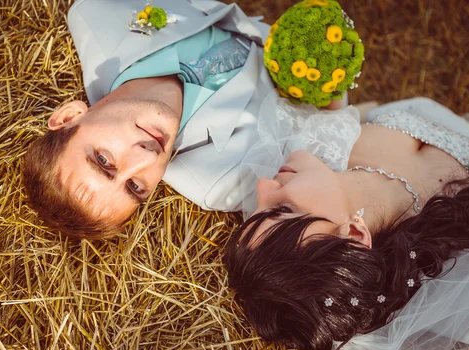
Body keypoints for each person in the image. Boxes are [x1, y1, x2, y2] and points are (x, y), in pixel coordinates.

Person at [224, 93, 469, 350]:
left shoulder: (320, 145)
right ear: (353, 235)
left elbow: (337, 110)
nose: (263, 185)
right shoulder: (440, 247)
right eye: (284, 209)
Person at [21, 0, 283, 239]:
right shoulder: (226, 180)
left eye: (103, 160)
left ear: (70, 117)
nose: (147, 158)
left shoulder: (97, 12)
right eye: (135, 186)